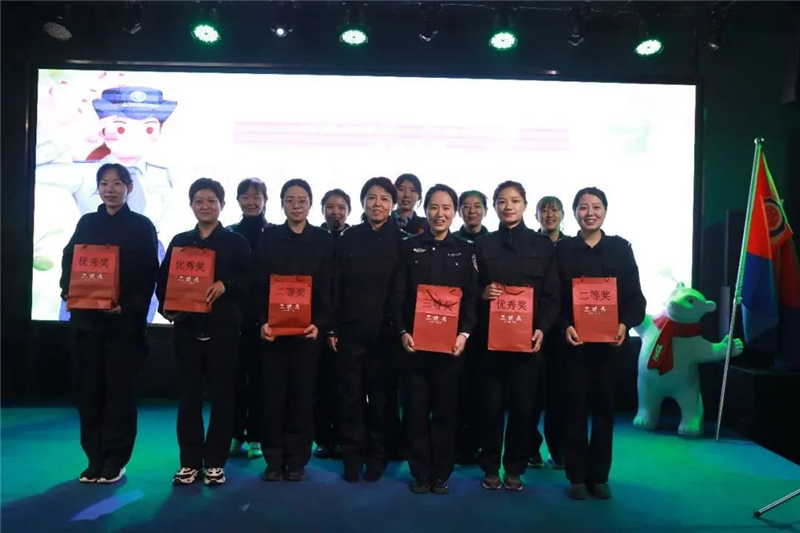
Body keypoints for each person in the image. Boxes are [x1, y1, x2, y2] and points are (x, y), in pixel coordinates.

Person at [39, 86, 177, 322]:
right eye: (120, 128)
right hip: (92, 266)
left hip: (142, 259)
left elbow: (149, 272)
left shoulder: (163, 173)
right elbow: (33, 169)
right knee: (84, 332)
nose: (110, 189)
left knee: (131, 329)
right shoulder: (85, 174)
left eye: (148, 128)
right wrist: (76, 134)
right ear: (104, 130)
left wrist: (133, 305)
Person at [60, 163, 159, 484]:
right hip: (87, 326)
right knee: (88, 394)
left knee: (119, 396)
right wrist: (70, 291)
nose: (110, 189)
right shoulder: (87, 223)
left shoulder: (142, 226)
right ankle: (94, 458)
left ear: (129, 188)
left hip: (123, 328)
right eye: (104, 183)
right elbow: (69, 261)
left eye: (117, 183)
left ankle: (115, 459)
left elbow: (149, 274)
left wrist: (126, 307)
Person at [157, 178, 253, 486]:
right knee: (188, 399)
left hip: (223, 333)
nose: (205, 206)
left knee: (223, 400)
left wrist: (227, 284)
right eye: (199, 201)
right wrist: (168, 309)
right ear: (191, 205)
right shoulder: (180, 242)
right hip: (187, 331)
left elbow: (250, 281)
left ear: (222, 205)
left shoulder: (236, 242)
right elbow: (163, 282)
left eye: (211, 201)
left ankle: (214, 462)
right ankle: (189, 461)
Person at [556, 186, 646, 500]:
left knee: (605, 411)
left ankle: (599, 476)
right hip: (574, 346)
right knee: (575, 410)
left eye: (596, 207)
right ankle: (576, 476)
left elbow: (635, 298)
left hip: (611, 348)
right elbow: (553, 297)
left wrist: (624, 324)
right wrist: (565, 326)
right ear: (574, 213)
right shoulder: (563, 250)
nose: (590, 213)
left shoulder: (621, 249)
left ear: (605, 211)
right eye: (583, 207)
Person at [392, 184, 479, 495]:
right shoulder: (409, 246)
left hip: (450, 349)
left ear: (454, 213)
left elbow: (471, 299)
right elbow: (398, 295)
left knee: (445, 411)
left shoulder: (466, 249)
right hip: (414, 347)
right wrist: (402, 331)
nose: (439, 214)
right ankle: (420, 472)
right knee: (415, 411)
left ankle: (441, 473)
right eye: (433, 207)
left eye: (446, 208)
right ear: (425, 209)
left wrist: (464, 334)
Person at [474, 181, 560, 492]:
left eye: (514, 201)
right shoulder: (482, 245)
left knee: (524, 408)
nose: (508, 206)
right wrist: (482, 294)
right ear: (495, 206)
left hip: (528, 342)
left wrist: (542, 329)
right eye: (501, 201)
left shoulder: (543, 246)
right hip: (490, 342)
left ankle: (515, 468)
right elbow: (469, 289)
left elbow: (552, 295)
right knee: (490, 407)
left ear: (524, 205)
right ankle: (489, 467)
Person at [329, 177, 405, 482]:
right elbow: (335, 284)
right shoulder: (348, 238)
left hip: (386, 336)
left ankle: (377, 456)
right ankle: (352, 456)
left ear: (393, 205)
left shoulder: (402, 241)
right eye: (372, 197)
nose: (378, 204)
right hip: (351, 332)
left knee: (382, 399)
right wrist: (332, 328)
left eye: (385, 198)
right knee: (350, 398)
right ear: (362, 202)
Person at [257, 179, 334, 482]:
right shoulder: (269, 237)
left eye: (302, 200)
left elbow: (328, 286)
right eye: (290, 200)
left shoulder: (323, 239)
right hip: (273, 333)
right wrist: (261, 321)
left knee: (302, 398)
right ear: (281, 204)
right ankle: (274, 459)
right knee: (273, 397)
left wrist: (321, 323)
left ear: (311, 204)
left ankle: (297, 459)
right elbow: (258, 283)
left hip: (307, 334)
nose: (296, 205)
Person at [228, 178, 270, 460]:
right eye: (245, 196)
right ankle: (234, 434)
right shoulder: (229, 233)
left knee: (261, 379)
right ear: (238, 200)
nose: (251, 202)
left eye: (256, 197)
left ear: (265, 200)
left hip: (267, 318)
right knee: (233, 379)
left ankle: (257, 436)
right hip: (234, 317)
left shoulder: (274, 233)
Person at [529, 195, 568, 470]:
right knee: (530, 396)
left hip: (563, 331)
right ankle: (530, 449)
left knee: (559, 396)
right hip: (532, 328)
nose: (549, 214)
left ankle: (559, 450)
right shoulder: (530, 244)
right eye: (544, 210)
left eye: (554, 210)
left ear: (563, 214)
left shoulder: (571, 247)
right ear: (536, 215)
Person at [314, 188, 351, 460]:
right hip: (316, 322)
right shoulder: (315, 238)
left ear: (348, 211)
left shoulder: (355, 239)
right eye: (330, 207)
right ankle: (323, 439)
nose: (335, 212)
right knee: (320, 386)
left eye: (341, 207)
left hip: (346, 325)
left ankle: (342, 438)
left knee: (345, 387)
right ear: (322, 209)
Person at [453, 190, 489, 464]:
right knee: (457, 389)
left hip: (487, 327)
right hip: (454, 327)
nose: (472, 211)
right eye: (466, 206)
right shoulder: (453, 242)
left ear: (485, 210)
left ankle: (477, 443)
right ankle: (457, 444)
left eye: (477, 206)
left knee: (482, 390)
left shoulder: (492, 243)